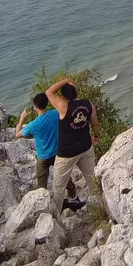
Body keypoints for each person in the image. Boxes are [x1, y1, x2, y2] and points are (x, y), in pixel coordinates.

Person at [46, 78, 99, 212]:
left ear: (63, 97)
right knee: (92, 179)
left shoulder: (63, 106)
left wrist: (66, 80)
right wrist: (96, 135)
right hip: (86, 147)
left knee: (58, 187)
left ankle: (55, 215)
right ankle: (100, 206)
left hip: (67, 153)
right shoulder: (88, 104)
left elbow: (49, 92)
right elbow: (95, 122)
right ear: (75, 93)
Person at [14, 92, 77, 201]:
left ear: (36, 107)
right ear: (47, 103)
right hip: (57, 153)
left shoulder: (33, 125)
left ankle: (44, 202)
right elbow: (66, 109)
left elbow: (17, 134)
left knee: (41, 184)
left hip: (42, 157)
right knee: (63, 175)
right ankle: (72, 194)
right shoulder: (55, 113)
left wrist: (22, 118)